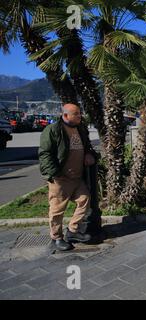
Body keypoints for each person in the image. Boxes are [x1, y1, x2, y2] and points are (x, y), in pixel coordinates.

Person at [39, 103, 97, 251]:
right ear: (65, 115)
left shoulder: (80, 129)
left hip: (77, 177)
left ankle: (72, 231)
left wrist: (89, 154)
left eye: (80, 113)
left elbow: (87, 146)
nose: (80, 116)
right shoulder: (53, 130)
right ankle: (56, 238)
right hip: (60, 179)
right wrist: (55, 174)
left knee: (85, 200)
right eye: (76, 113)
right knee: (57, 210)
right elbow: (45, 154)